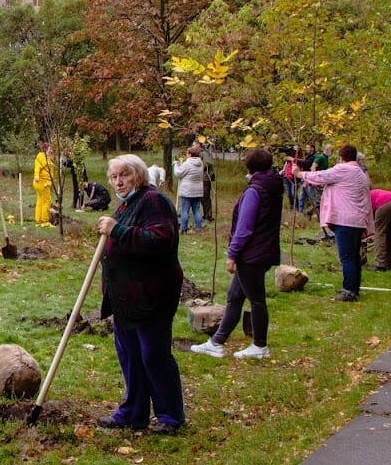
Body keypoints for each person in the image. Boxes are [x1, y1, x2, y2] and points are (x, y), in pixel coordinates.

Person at [95, 154, 186, 434]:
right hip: (125, 298)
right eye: (114, 177)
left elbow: (159, 240)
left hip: (151, 295)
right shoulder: (127, 205)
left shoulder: (154, 201)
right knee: (131, 356)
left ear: (139, 175)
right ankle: (133, 413)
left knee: (153, 355)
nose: (118, 182)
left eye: (125, 175)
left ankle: (171, 416)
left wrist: (117, 230)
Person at [191, 148, 282, 360]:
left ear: (248, 167)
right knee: (234, 297)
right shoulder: (273, 185)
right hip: (263, 250)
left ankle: (260, 346)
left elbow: (245, 227)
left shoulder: (255, 191)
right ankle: (216, 342)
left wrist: (232, 254)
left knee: (256, 300)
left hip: (251, 255)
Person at [296, 144, 372, 301]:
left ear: (341, 157)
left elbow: (321, 176)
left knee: (347, 257)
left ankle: (349, 291)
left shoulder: (343, 170)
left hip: (346, 220)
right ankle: (354, 287)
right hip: (358, 220)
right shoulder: (360, 173)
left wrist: (299, 174)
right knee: (354, 256)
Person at [173, 144, 206, 234]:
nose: (187, 154)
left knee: (185, 210)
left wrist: (176, 165)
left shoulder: (188, 164)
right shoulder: (201, 163)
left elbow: (178, 173)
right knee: (196, 210)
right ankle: (199, 228)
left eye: (187, 153)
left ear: (190, 154)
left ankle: (184, 228)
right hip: (198, 191)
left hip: (187, 191)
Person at [32, 141, 54, 225]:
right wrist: (36, 176)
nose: (51, 150)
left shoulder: (47, 158)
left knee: (40, 200)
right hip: (42, 183)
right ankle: (44, 220)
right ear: (46, 149)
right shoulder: (41, 157)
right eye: (50, 149)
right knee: (47, 201)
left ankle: (38, 219)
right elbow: (37, 167)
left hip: (44, 182)